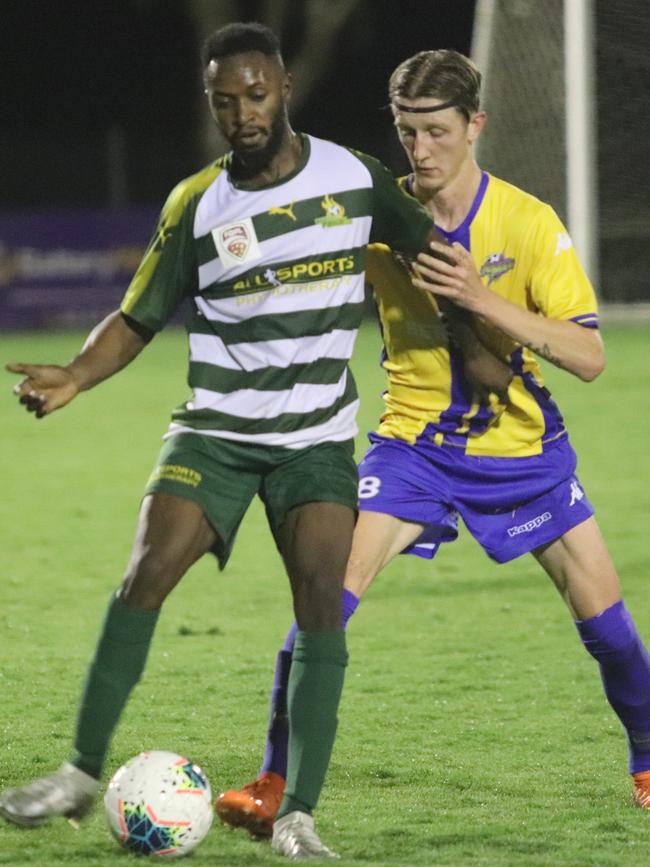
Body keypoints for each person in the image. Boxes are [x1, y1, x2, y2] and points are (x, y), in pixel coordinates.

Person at [0, 28, 507, 862]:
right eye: (225, 100)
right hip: (219, 432)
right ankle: (79, 773)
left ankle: (298, 814)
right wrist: (77, 375)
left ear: (282, 88)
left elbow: (433, 258)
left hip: (314, 440)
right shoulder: (196, 203)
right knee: (144, 573)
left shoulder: (355, 178)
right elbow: (137, 316)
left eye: (257, 95)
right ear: (212, 102)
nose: (243, 113)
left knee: (319, 608)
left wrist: (478, 338)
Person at [215, 48, 650, 838]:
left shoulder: (527, 222)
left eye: (438, 131)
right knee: (323, 604)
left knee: (611, 629)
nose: (421, 149)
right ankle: (275, 780)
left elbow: (588, 356)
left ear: (475, 124)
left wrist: (482, 299)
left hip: (523, 453)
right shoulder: (378, 215)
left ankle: (649, 757)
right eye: (408, 131)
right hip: (411, 448)